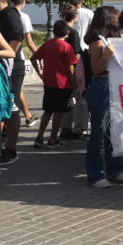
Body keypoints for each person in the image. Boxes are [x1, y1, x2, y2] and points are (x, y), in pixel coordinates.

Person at [84, 6, 123, 188]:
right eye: (116, 18)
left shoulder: (112, 40)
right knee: (99, 132)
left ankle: (114, 169)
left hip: (114, 85)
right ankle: (95, 174)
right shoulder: (97, 43)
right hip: (102, 86)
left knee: (114, 131)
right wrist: (107, 55)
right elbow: (96, 69)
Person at [0, 0, 25, 166]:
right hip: (5, 67)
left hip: (11, 69)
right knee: (5, 109)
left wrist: (5, 55)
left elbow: (17, 37)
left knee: (12, 109)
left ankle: (11, 149)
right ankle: (0, 147)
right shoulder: (3, 15)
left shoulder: (10, 15)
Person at [31, 20, 77, 149]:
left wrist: (40, 72)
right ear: (67, 33)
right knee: (59, 113)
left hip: (49, 81)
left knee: (48, 111)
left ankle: (39, 137)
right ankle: (52, 138)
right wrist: (74, 82)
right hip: (63, 84)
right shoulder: (67, 47)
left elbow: (33, 57)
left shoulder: (48, 44)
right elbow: (70, 68)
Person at [57, 4, 88, 141]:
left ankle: (65, 128)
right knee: (80, 100)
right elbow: (76, 54)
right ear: (75, 17)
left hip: (61, 69)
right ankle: (78, 129)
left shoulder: (61, 31)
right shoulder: (73, 33)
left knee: (68, 100)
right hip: (73, 68)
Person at [10, 0, 40, 128]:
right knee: (17, 90)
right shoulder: (23, 17)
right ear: (23, 1)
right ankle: (24, 116)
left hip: (5, 56)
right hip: (17, 57)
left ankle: (27, 115)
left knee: (17, 89)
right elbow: (29, 41)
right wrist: (40, 56)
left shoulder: (6, 15)